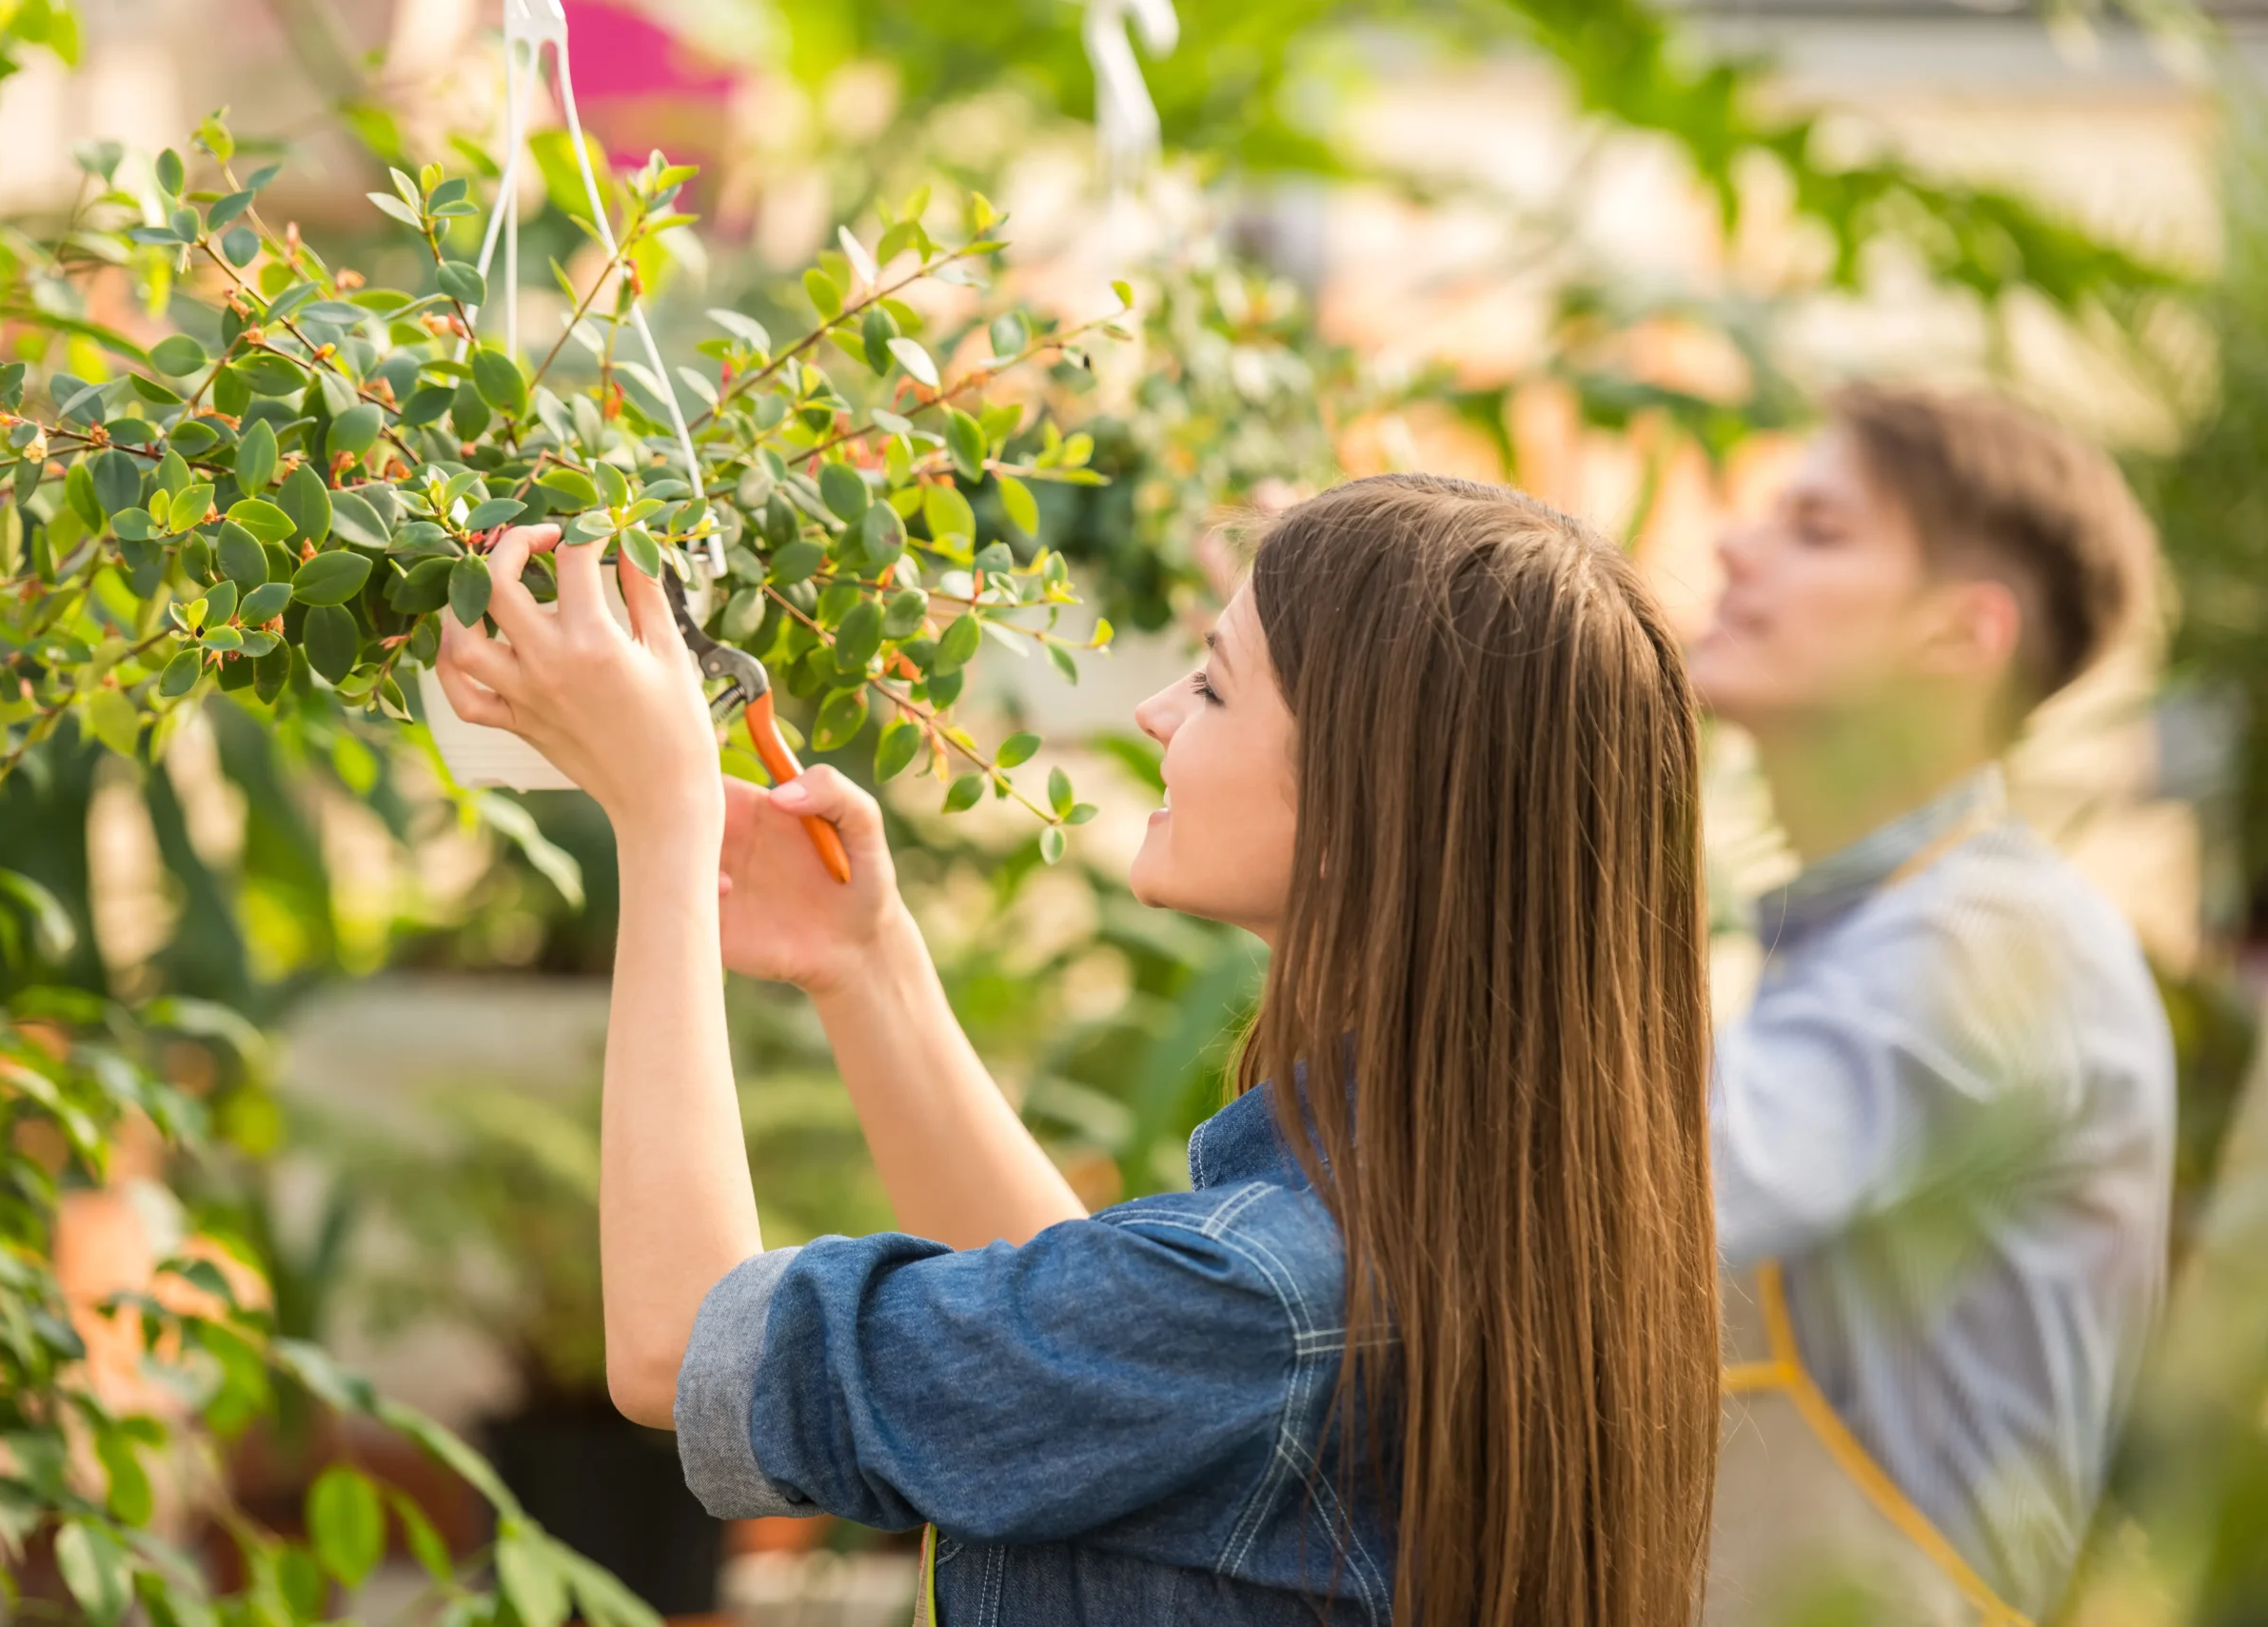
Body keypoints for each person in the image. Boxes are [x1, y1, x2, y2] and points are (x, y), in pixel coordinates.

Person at [435, 475, 1721, 1627]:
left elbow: (683, 1350)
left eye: (1214, 684)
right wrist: (865, 965)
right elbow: (1088, 1334)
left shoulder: (1260, 1297)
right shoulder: (1458, 1214)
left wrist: (661, 822)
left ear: (1360, 808)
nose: (1160, 713)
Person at [1686, 385, 2177, 1626]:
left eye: (1816, 530)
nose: (1736, 548)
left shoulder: (2001, 951)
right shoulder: (1870, 933)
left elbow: (1661, 1181)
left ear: (1961, 636)